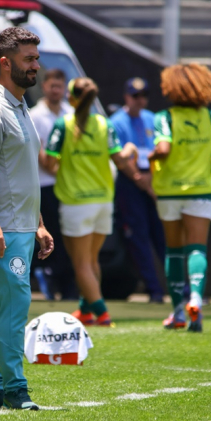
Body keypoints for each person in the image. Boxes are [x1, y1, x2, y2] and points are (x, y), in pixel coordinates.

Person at [0, 27, 53, 411]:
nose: (37, 65)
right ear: (5, 63)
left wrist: (39, 222)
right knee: (16, 302)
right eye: (29, 59)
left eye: (36, 57)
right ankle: (15, 390)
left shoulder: (20, 105)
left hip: (20, 224)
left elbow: (20, 174)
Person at [41, 77, 144, 326]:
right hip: (103, 202)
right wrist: (131, 152)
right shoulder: (104, 124)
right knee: (92, 261)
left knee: (82, 264)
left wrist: (37, 149)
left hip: (76, 203)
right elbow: (120, 160)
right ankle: (85, 310)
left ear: (72, 98)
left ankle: (101, 312)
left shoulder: (63, 124)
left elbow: (50, 164)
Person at [150, 63, 211, 332]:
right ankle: (196, 297)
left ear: (171, 88)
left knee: (173, 250)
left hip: (169, 191)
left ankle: (177, 312)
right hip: (200, 190)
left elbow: (162, 149)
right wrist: (209, 162)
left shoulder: (165, 117)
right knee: (197, 249)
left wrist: (150, 157)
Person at [110, 78, 166, 304]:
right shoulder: (117, 122)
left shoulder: (153, 119)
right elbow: (122, 160)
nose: (140, 100)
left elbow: (162, 151)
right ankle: (154, 291)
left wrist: (152, 181)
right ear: (126, 97)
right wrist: (141, 181)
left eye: (144, 96)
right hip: (131, 185)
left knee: (163, 236)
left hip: (153, 180)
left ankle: (179, 289)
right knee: (139, 237)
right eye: (135, 96)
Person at [29, 68, 77, 301]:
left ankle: (67, 287)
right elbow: (40, 155)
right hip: (46, 185)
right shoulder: (35, 115)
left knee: (68, 235)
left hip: (68, 186)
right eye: (52, 85)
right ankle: (48, 278)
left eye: (60, 86)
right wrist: (61, 170)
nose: (56, 90)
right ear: (44, 86)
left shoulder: (72, 113)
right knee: (50, 234)